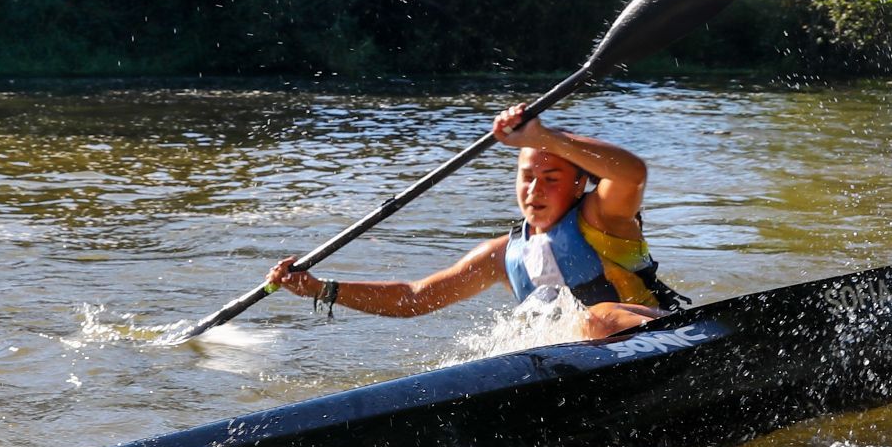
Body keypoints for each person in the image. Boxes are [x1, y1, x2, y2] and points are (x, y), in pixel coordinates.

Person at [266, 105, 687, 340]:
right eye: (527, 177)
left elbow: (631, 174)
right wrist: (324, 289)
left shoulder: (604, 219)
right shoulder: (503, 254)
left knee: (595, 320)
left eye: (551, 179)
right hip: (581, 365)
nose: (534, 190)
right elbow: (415, 297)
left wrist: (543, 138)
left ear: (579, 184)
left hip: (653, 340)